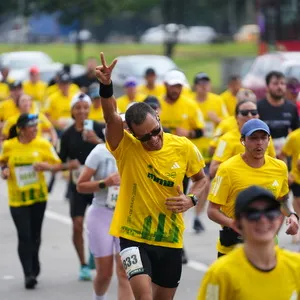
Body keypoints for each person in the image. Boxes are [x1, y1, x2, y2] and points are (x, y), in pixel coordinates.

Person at [95, 52, 208, 300]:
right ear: (132, 134)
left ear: (158, 117)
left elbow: (202, 179)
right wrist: (106, 87)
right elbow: (111, 117)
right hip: (133, 236)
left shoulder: (183, 146)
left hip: (169, 238)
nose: (153, 139)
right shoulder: (126, 147)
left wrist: (192, 199)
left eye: (155, 131)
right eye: (145, 137)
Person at [37, 92, 106, 281]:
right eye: (78, 108)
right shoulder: (67, 134)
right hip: (77, 185)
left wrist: (97, 141)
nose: (82, 111)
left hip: (98, 184)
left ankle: (96, 251)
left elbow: (114, 152)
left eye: (85, 107)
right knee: (77, 225)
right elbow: (59, 163)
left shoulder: (99, 128)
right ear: (72, 111)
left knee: (100, 224)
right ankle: (83, 264)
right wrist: (69, 165)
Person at [207, 119, 298, 257]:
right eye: (253, 138)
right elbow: (212, 210)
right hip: (233, 249)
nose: (259, 143)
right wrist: (235, 224)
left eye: (263, 138)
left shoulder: (279, 168)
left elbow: (282, 201)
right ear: (243, 140)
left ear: (269, 140)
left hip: (268, 247)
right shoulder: (227, 169)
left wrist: (292, 215)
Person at [198, 185, 300, 300]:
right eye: (253, 213)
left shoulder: (296, 266)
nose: (263, 219)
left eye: (270, 212)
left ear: (280, 219)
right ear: (237, 225)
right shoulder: (220, 273)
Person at [0, 113, 61, 289]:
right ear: (21, 129)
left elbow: (58, 164)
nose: (36, 129)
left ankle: (35, 263)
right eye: (32, 126)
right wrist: (4, 171)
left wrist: (46, 166)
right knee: (24, 235)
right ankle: (28, 274)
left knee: (35, 235)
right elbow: (3, 162)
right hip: (17, 198)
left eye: (36, 126)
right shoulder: (10, 145)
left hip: (38, 197)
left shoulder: (42, 143)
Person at [77, 137, 134, 300]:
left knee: (125, 271)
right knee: (105, 273)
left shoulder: (137, 151)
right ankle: (99, 297)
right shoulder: (100, 152)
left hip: (126, 216)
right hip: (102, 214)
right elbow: (80, 185)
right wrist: (105, 183)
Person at [209, 100, 276, 178]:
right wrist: (241, 165)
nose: (250, 115)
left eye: (254, 112)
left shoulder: (265, 136)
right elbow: (213, 170)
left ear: (258, 115)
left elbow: (274, 162)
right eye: (244, 113)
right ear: (236, 117)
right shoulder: (226, 139)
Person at [257, 71, 299, 156]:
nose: (279, 87)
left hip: (286, 154)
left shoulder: (291, 107)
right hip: (263, 153)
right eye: (275, 84)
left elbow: (296, 132)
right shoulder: (258, 107)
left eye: (282, 83)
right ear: (267, 87)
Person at [281, 127, 300, 243]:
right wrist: (287, 173)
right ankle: (296, 229)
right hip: (297, 177)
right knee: (298, 202)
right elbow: (282, 154)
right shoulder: (293, 136)